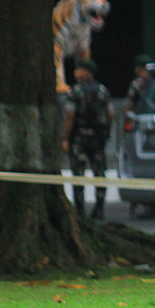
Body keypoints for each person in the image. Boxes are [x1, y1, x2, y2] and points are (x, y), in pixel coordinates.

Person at [61, 58, 113, 220]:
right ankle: (99, 208)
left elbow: (70, 115)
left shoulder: (75, 92)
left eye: (79, 69)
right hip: (98, 137)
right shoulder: (103, 91)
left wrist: (65, 137)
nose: (76, 72)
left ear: (86, 71)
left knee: (78, 173)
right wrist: (107, 131)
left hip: (79, 137)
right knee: (99, 172)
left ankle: (80, 211)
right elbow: (111, 114)